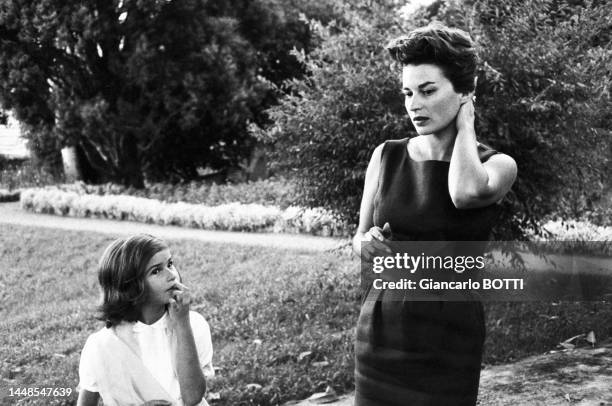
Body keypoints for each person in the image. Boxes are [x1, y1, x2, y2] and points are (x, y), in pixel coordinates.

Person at [352, 23, 517, 405]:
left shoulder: (499, 165)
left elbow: (464, 193)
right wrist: (367, 246)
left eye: (428, 91)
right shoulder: (386, 155)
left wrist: (466, 124)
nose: (413, 104)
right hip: (381, 332)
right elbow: (359, 237)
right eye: (408, 92)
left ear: (464, 90)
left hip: (449, 339)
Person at [76, 234, 214, 406]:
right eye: (156, 270)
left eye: (170, 264)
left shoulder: (193, 324)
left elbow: (193, 397)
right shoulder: (102, 345)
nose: (172, 275)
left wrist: (182, 323)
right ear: (131, 286)